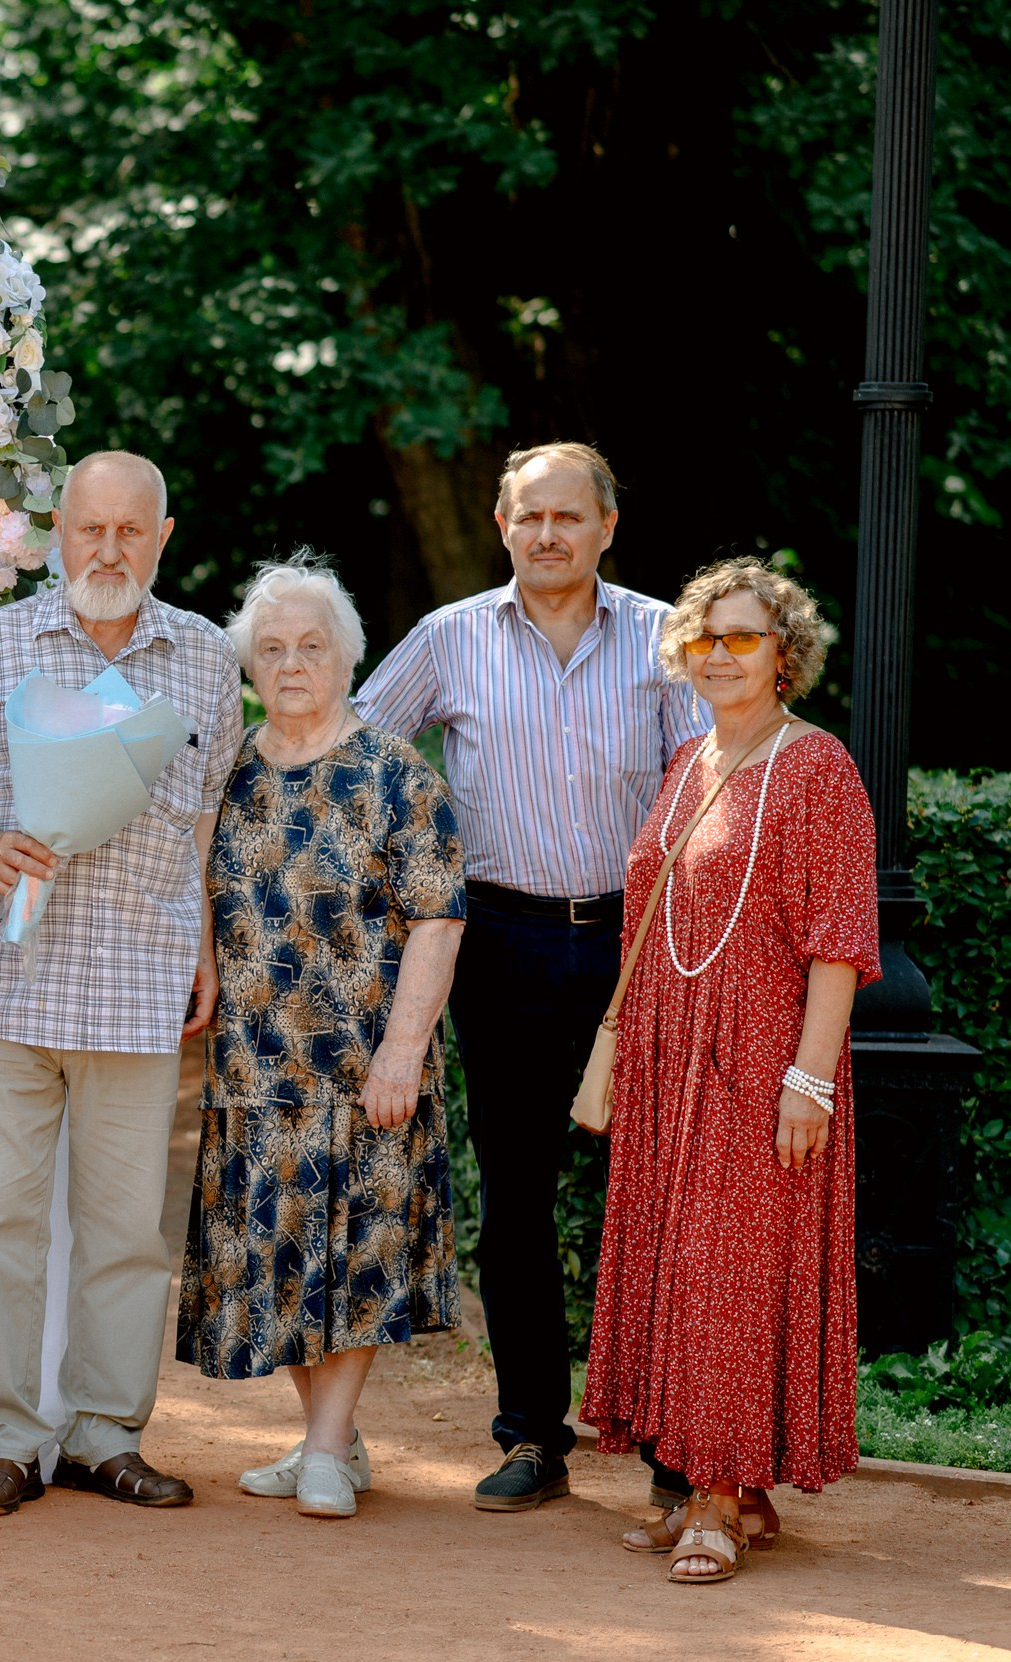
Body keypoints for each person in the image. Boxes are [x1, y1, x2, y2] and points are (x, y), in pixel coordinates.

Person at [355, 440, 708, 1511]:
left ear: (607, 527)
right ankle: (533, 1437)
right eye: (529, 517)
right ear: (502, 526)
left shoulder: (666, 638)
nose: (548, 534)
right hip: (498, 942)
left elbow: (713, 786)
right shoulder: (449, 637)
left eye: (568, 516)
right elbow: (356, 753)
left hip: (637, 947)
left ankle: (669, 1443)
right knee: (513, 1199)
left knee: (654, 1193)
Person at [0, 450, 242, 1517]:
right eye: (88, 529)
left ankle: (105, 1434)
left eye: (129, 531)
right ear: (55, 533)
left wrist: (205, 948)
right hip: (6, 980)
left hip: (138, 981)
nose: (107, 551)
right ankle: (0, 1438)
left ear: (162, 538)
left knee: (125, 1232)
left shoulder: (207, 658)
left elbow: (208, 817)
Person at [583, 558, 876, 1584]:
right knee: (683, 1267)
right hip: (673, 1057)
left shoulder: (818, 767)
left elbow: (840, 940)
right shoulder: (690, 760)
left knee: (727, 1275)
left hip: (761, 1061)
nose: (718, 654)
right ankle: (737, 1491)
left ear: (783, 653)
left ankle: (710, 1498)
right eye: (703, 637)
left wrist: (810, 1080)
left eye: (742, 637)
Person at [172, 554, 466, 1519]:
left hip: (361, 1063)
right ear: (247, 666)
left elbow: (438, 919)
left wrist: (403, 1052)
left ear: (348, 658)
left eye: (311, 647)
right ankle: (327, 1440)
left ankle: (329, 1449)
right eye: (271, 649)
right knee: (282, 1256)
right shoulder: (226, 772)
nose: (292, 664)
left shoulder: (395, 773)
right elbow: (196, 888)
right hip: (255, 1064)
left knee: (357, 1255)